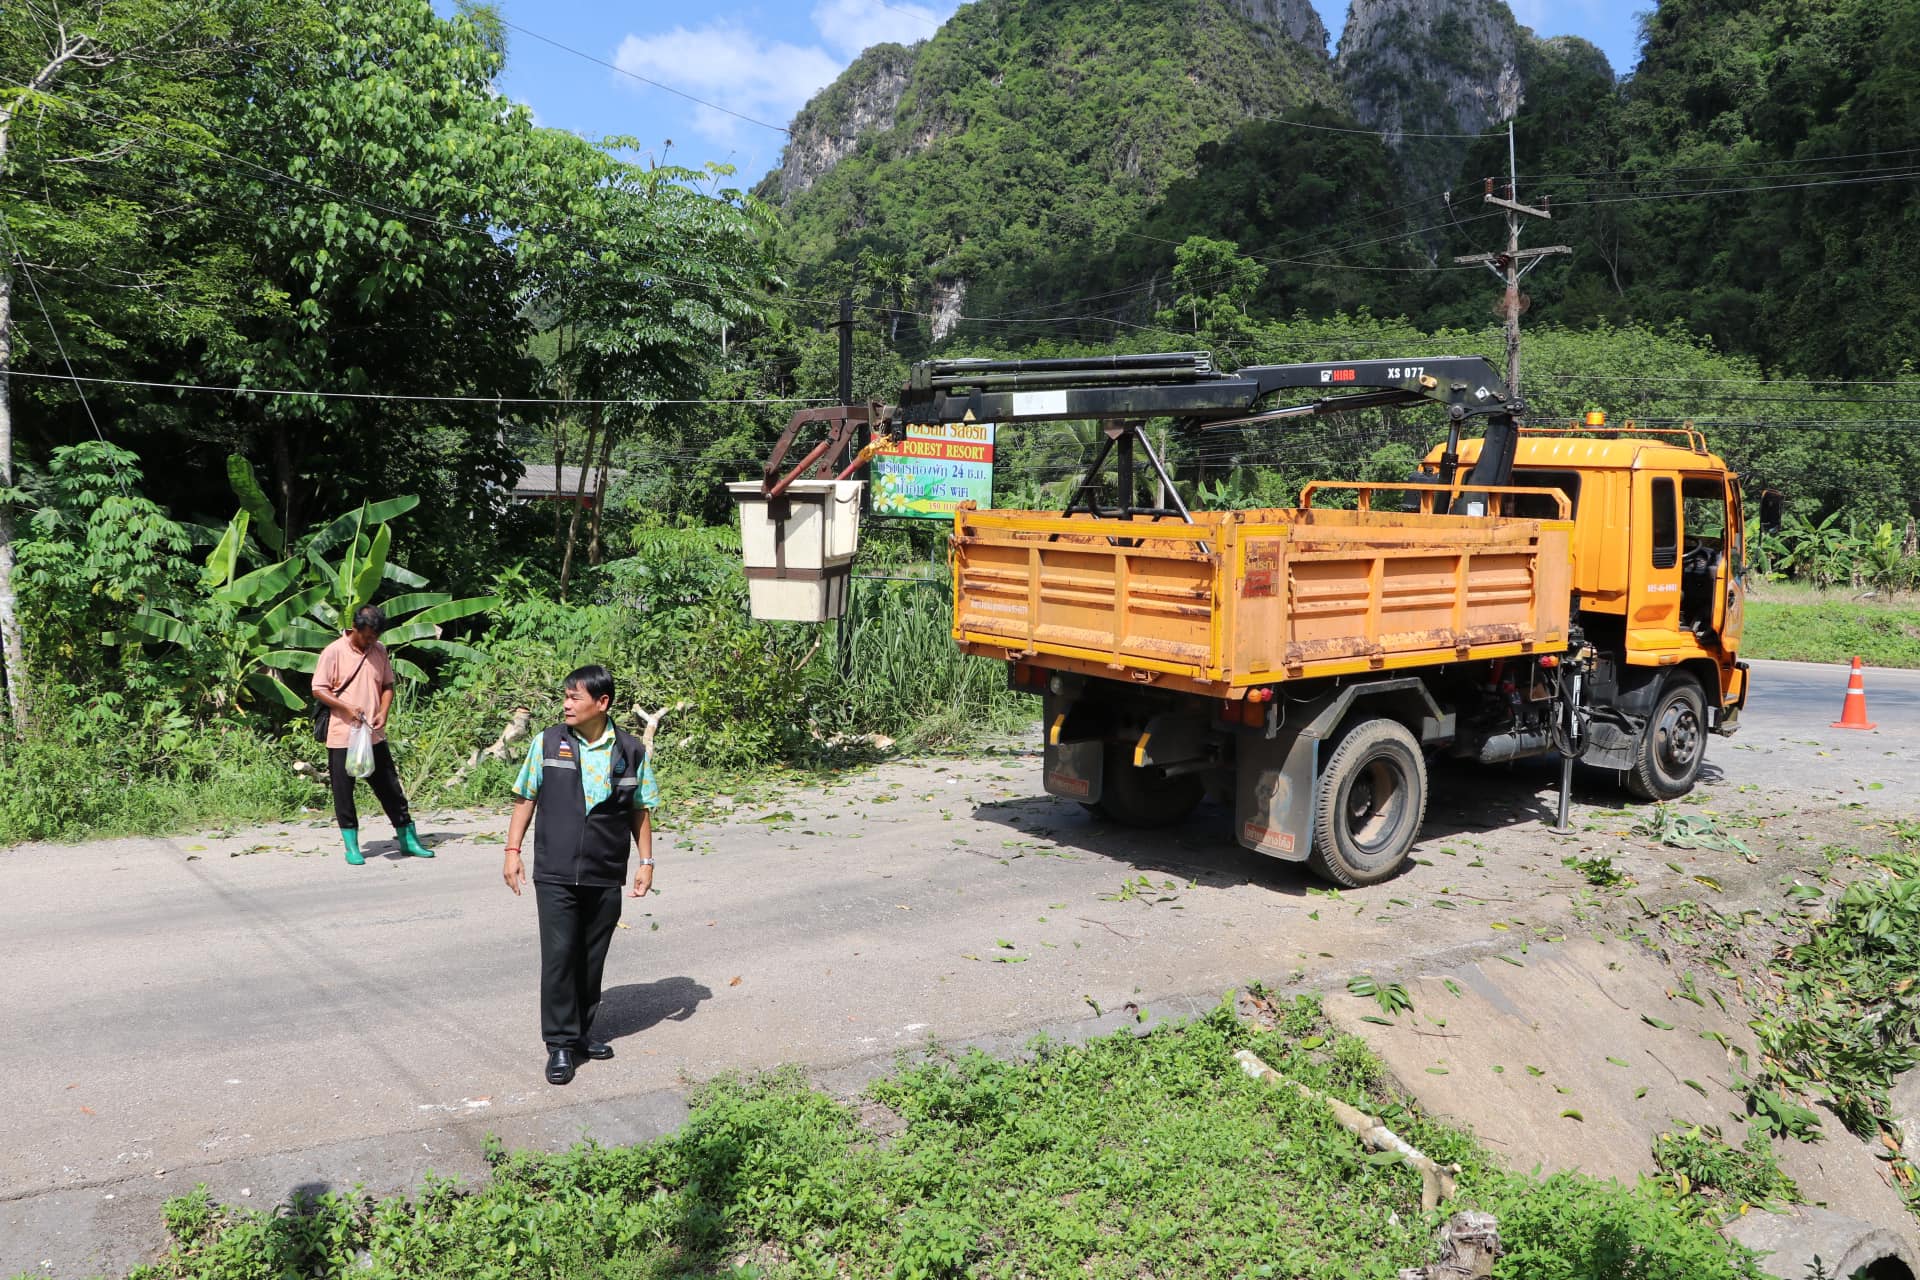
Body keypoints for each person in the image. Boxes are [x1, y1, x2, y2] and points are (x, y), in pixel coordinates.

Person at [501, 664, 659, 1086]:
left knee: (591, 957)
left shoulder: (630, 751)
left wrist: (646, 862)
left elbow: (640, 809)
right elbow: (525, 797)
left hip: (605, 870)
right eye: (566, 697)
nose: (566, 704)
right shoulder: (548, 742)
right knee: (559, 956)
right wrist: (512, 851)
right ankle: (559, 1044)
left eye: (575, 697)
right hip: (554, 870)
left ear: (601, 703)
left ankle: (582, 1033)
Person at [311, 606, 434, 866]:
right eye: (367, 637)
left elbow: (387, 685)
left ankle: (408, 839)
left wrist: (383, 712)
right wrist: (346, 708)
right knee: (344, 792)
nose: (371, 642)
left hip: (373, 733)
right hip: (343, 734)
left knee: (390, 788)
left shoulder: (379, 651)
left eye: (375, 637)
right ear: (354, 629)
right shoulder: (333, 652)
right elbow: (318, 689)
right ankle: (352, 847)